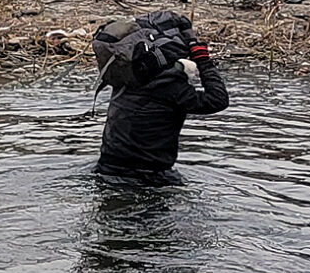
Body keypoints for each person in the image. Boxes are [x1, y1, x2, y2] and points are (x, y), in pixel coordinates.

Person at [94, 12, 229, 180]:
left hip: (107, 167)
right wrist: (203, 61)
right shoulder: (171, 86)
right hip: (149, 175)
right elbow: (217, 100)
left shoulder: (127, 78)